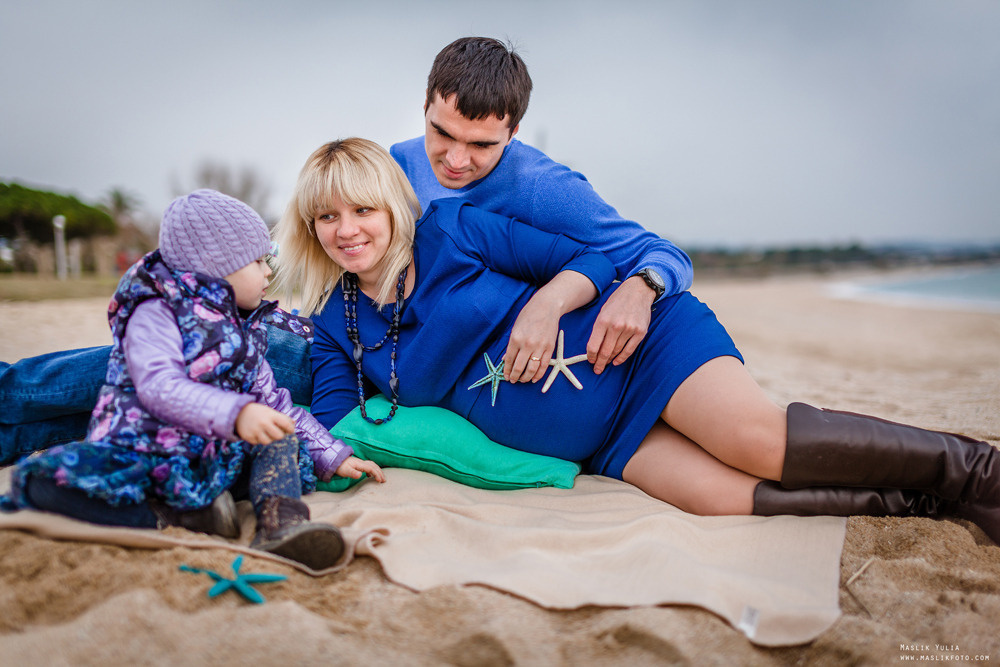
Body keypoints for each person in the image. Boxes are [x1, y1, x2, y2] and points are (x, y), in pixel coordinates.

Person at [274, 137, 999, 546]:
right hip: (604, 445)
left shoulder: (452, 233)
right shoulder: (335, 325)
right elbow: (335, 422)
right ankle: (925, 504)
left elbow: (595, 259)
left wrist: (550, 301)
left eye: (362, 208)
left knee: (754, 440)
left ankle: (975, 471)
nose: (348, 230)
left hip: (642, 353)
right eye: (327, 218)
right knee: (727, 499)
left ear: (391, 207)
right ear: (310, 230)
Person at [0, 36, 687, 460]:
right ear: (426, 108)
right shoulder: (393, 165)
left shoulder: (544, 190)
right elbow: (332, 237)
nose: (453, 158)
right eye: (442, 133)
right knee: (151, 370)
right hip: (337, 339)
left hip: (376, 366)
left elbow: (641, 253)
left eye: (480, 144)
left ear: (510, 132)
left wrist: (638, 286)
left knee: (161, 405)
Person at [2, 190, 385, 570]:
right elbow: (158, 386)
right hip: (151, 453)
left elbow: (275, 404)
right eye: (258, 261)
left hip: (210, 457)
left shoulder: (243, 326)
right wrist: (237, 414)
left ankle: (282, 524)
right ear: (215, 267)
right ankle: (178, 516)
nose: (269, 271)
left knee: (278, 433)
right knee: (50, 481)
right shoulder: (155, 311)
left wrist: (332, 454)